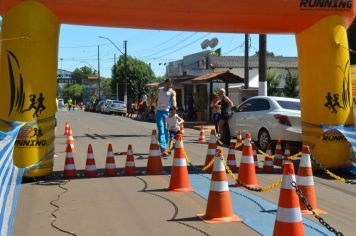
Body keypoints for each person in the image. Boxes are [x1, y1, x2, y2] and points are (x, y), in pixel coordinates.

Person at [155, 78, 177, 156]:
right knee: (161, 130)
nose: (169, 85)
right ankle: (163, 148)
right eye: (168, 84)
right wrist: (149, 106)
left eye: (170, 84)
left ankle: (161, 145)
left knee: (166, 131)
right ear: (165, 84)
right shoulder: (159, 90)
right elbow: (155, 99)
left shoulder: (172, 92)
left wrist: (174, 109)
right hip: (159, 113)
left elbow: (174, 100)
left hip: (167, 113)